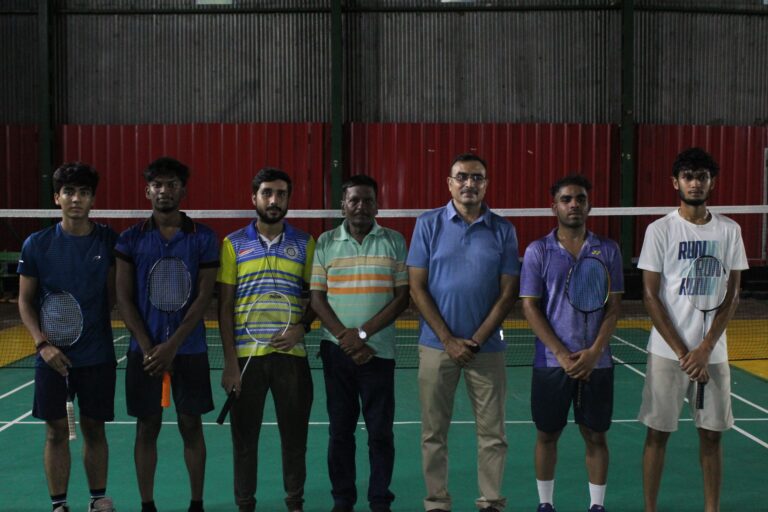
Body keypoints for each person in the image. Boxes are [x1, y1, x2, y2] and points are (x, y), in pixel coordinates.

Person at [407, 153, 520, 512]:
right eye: (462, 177)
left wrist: (477, 339)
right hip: (435, 346)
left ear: (486, 184)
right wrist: (448, 340)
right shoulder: (427, 224)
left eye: (477, 177)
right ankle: (436, 502)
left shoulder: (503, 230)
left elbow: (508, 292)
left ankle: (491, 501)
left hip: (486, 350)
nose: (469, 183)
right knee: (433, 433)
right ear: (449, 183)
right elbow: (416, 288)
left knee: (493, 434)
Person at [637, 147, 748, 512]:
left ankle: (711, 509)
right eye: (688, 176)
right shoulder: (660, 230)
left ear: (711, 182)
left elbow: (733, 294)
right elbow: (650, 295)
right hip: (667, 354)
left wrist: (705, 349)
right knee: (657, 435)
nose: (695, 183)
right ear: (675, 183)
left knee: (712, 436)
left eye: (702, 177)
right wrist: (685, 352)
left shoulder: (730, 230)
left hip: (712, 355)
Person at [115, 157, 219, 512]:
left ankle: (196, 504)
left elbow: (204, 296)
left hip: (189, 349)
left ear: (182, 190)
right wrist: (149, 348)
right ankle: (148, 505)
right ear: (148, 191)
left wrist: (172, 346)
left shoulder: (203, 237)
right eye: (157, 184)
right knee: (147, 427)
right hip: (143, 351)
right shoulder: (130, 239)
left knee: (191, 425)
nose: (164, 190)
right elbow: (123, 298)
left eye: (171, 184)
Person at [18, 162, 118, 512]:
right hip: (51, 356)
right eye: (69, 192)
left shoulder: (108, 240)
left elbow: (115, 294)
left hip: (97, 354)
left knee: (94, 429)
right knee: (55, 431)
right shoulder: (37, 244)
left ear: (93, 199)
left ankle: (97, 498)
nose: (76, 199)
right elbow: (24, 301)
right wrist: (42, 344)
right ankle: (59, 504)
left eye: (84, 193)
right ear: (57, 198)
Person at [520, 175, 623, 512]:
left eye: (580, 198)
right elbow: (530, 307)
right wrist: (562, 354)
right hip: (551, 363)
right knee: (547, 434)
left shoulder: (608, 249)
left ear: (589, 205)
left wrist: (594, 352)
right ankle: (545, 504)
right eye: (566, 199)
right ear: (555, 206)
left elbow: (614, 307)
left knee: (595, 435)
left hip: (598, 363)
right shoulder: (538, 251)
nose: (574, 204)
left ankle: (597, 506)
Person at [218, 167, 316, 512]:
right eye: (267, 193)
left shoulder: (305, 243)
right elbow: (225, 307)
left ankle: (295, 503)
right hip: (247, 359)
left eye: (281, 194)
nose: (274, 200)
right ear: (254, 198)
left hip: (292, 356)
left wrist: (302, 327)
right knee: (244, 442)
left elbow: (316, 297)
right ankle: (245, 504)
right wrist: (230, 363)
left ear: (288, 199)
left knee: (295, 440)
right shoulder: (232, 244)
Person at [310, 175, 410, 512]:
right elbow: (317, 298)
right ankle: (343, 499)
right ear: (343, 205)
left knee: (380, 433)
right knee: (340, 432)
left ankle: (379, 499)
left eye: (368, 200)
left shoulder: (394, 241)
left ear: (377, 205)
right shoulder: (325, 242)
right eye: (354, 200)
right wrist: (345, 337)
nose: (361, 207)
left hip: (379, 353)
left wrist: (363, 335)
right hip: (336, 352)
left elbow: (401, 298)